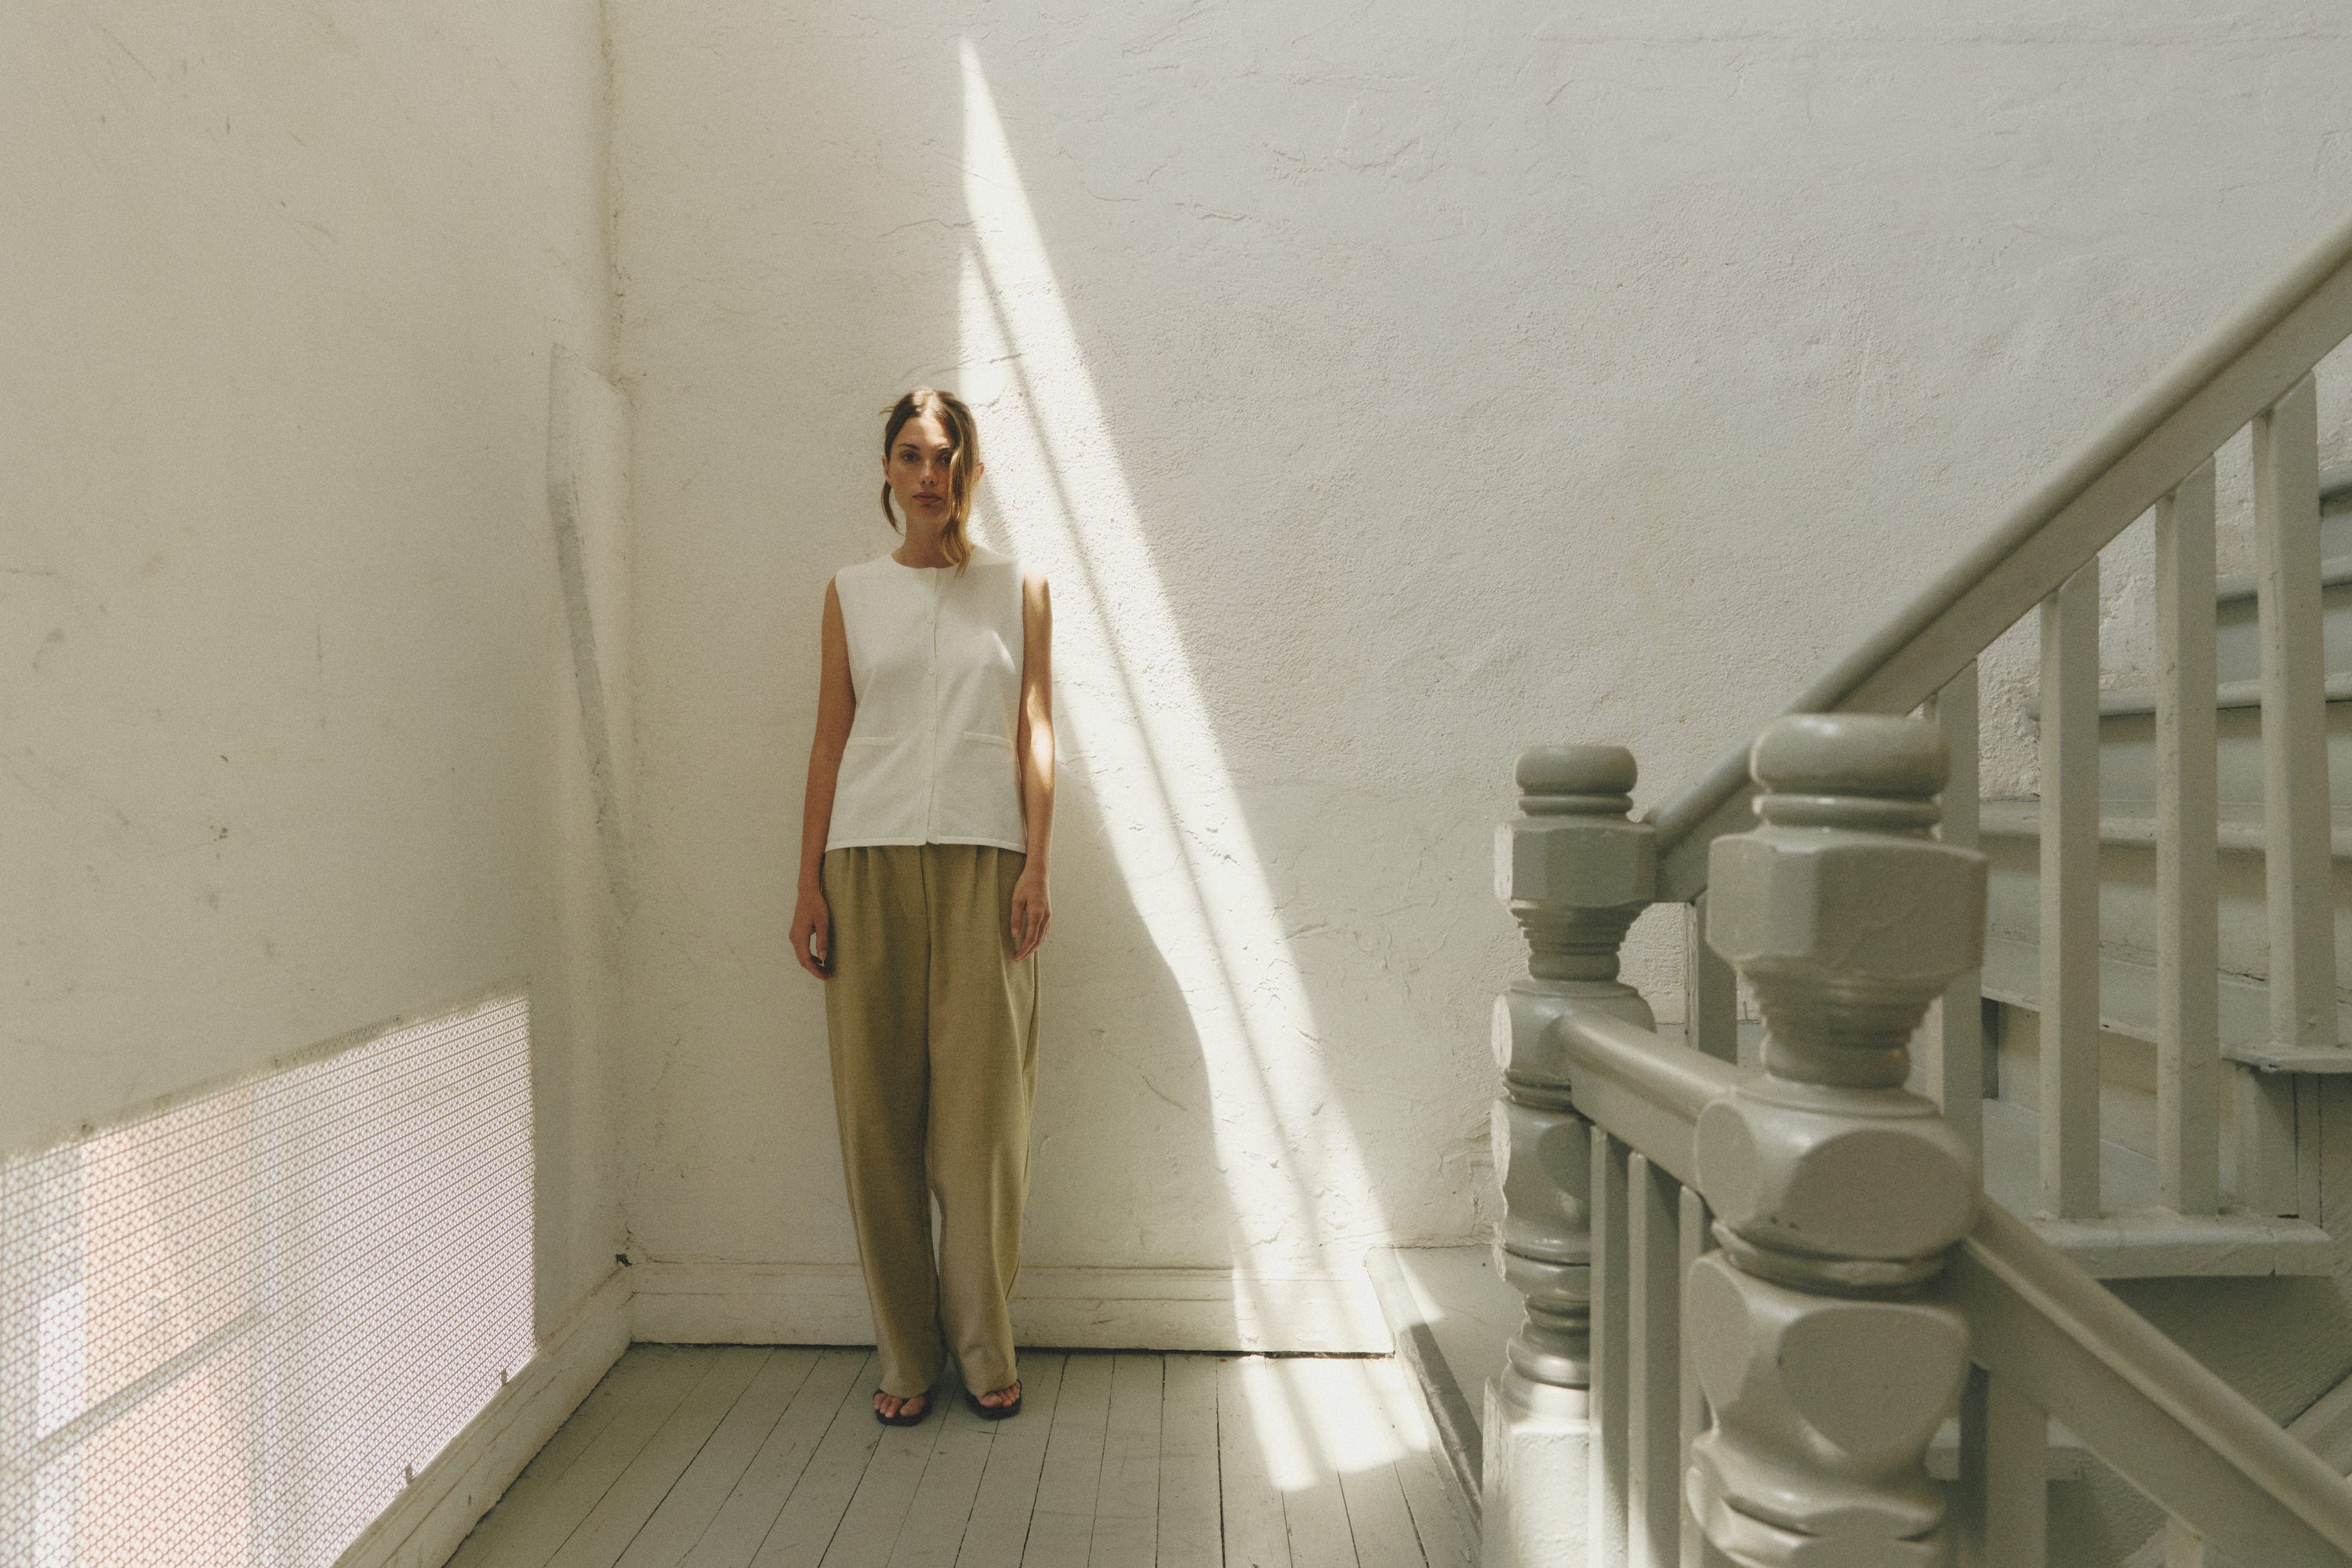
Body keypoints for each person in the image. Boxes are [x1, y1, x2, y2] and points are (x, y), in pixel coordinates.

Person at [789, 387, 1054, 1426]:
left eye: (947, 456)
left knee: (982, 1125)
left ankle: (985, 1347)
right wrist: (806, 878)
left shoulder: (1020, 588)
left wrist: (1040, 862)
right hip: (866, 858)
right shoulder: (850, 592)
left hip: (989, 861)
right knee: (876, 1119)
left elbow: (1035, 728)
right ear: (888, 472)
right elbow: (828, 740)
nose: (929, 474)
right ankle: (906, 1356)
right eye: (911, 455)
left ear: (970, 471)